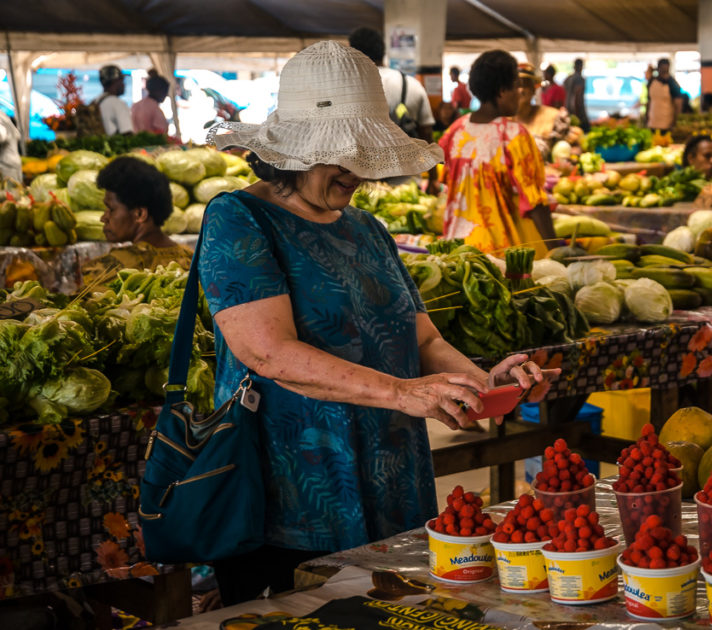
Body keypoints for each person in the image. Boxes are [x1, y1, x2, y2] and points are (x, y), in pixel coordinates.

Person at [202, 41, 558, 606]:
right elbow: (267, 352)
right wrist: (401, 393)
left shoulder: (365, 229)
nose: (358, 171)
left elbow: (421, 339)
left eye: (363, 152)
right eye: (342, 154)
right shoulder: (237, 219)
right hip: (291, 488)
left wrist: (481, 384)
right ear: (296, 150)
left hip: (392, 475)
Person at [439, 50, 558, 255]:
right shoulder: (513, 135)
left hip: (455, 249)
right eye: (515, 86)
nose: (519, 93)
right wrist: (556, 249)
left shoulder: (455, 130)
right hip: (499, 253)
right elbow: (536, 202)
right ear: (502, 91)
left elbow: (446, 180)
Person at [348, 27, 439, 194]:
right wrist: (434, 179)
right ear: (383, 52)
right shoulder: (411, 85)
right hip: (406, 186)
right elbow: (427, 135)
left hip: (360, 188)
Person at [80, 157, 193, 285]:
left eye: (111, 209)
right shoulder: (191, 258)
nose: (103, 218)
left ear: (139, 214)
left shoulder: (112, 270)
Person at [514, 63, 571, 160]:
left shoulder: (553, 116)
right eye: (517, 85)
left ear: (533, 90)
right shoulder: (500, 119)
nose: (522, 90)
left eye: (526, 85)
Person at [646, 58, 684, 133]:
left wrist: (674, 121)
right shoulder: (652, 82)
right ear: (658, 68)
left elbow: (678, 103)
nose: (663, 70)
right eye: (662, 68)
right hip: (652, 122)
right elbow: (649, 102)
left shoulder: (672, 84)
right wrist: (646, 117)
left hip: (667, 124)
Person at [96, 65, 133, 135]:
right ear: (115, 81)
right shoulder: (118, 104)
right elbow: (127, 134)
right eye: (122, 81)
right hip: (114, 145)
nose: (124, 85)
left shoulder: (96, 101)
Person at [131, 70, 170, 135]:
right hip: (150, 144)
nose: (166, 95)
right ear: (158, 91)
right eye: (165, 91)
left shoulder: (135, 105)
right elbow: (162, 131)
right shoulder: (155, 108)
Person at [563, 58, 589, 132]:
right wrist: (577, 114)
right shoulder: (580, 79)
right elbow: (577, 97)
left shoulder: (568, 78)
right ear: (581, 67)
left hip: (568, 108)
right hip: (577, 111)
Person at [0, 112, 22, 183]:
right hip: (14, 160)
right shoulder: (4, 116)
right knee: (17, 188)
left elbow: (2, 136)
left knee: (10, 190)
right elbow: (17, 134)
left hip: (7, 163)